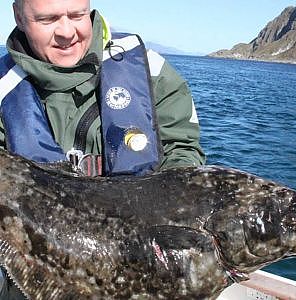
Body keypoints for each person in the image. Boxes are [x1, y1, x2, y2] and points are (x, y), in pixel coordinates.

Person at [0, 0, 205, 297]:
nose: (67, 32)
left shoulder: (152, 71)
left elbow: (183, 153)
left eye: (77, 15)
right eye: (48, 19)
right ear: (19, 17)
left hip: (142, 264)